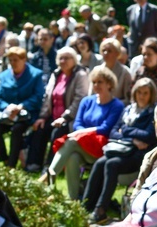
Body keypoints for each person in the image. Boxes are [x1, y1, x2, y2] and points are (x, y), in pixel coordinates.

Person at [83, 78, 157, 224]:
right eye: (139, 93)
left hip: (139, 156)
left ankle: (100, 210)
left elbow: (148, 136)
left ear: (151, 95)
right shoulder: (128, 109)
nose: (142, 96)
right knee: (100, 162)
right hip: (123, 149)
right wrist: (132, 139)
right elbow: (113, 132)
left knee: (112, 164)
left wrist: (125, 130)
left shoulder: (152, 113)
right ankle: (86, 206)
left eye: (145, 93)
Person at [42, 66, 124, 199]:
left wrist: (82, 133)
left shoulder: (117, 105)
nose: (96, 85)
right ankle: (73, 200)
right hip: (81, 143)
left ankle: (50, 175)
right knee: (73, 157)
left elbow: (106, 128)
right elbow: (77, 124)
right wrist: (81, 134)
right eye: (94, 82)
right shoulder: (87, 101)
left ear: (109, 84)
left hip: (101, 146)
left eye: (100, 82)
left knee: (72, 141)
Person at [26, 47, 90, 173]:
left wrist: (65, 117)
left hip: (71, 118)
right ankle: (33, 164)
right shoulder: (56, 74)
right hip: (53, 116)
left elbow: (80, 99)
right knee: (39, 128)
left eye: (67, 58)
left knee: (57, 133)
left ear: (75, 60)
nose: (63, 61)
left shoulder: (80, 75)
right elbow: (47, 97)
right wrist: (42, 117)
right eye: (61, 58)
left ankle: (50, 168)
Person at [0, 46, 44, 168]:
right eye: (10, 60)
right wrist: (8, 107)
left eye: (15, 60)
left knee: (17, 129)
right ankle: (5, 160)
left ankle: (12, 165)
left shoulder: (35, 74)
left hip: (26, 115)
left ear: (24, 59)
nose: (13, 63)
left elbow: (38, 96)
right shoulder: (4, 76)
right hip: (7, 114)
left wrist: (22, 106)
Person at [100, 38, 132, 105]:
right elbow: (91, 95)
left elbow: (128, 99)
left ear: (117, 53)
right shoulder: (97, 70)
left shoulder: (125, 72)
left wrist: (112, 105)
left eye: (109, 51)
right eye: (103, 50)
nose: (106, 53)